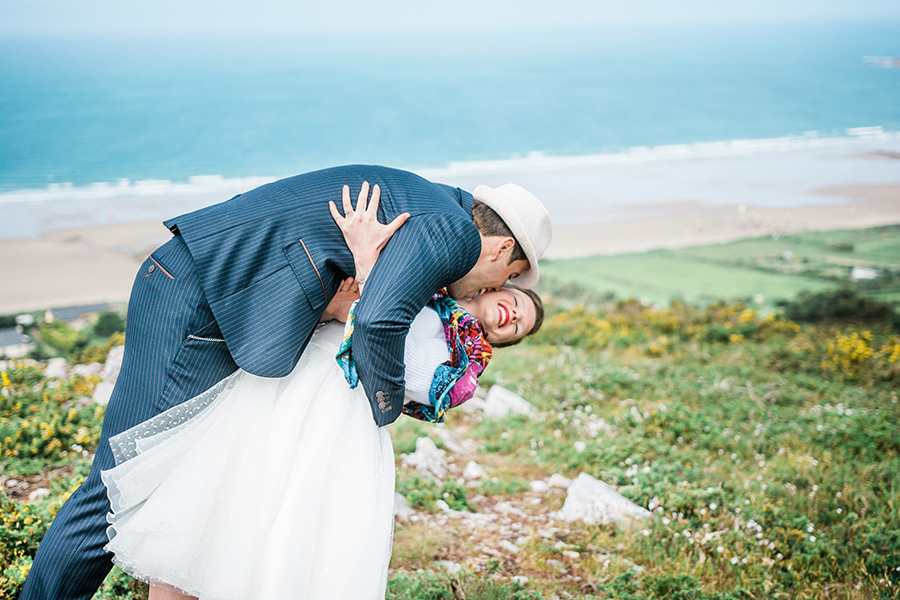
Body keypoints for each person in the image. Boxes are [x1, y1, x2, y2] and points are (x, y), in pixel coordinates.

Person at [21, 164, 552, 599]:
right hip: (200, 303)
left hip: (213, 300)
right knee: (119, 484)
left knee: (190, 478)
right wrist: (384, 406)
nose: (497, 286)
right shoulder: (453, 231)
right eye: (507, 278)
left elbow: (362, 298)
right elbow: (377, 320)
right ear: (502, 250)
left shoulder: (427, 203)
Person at [99, 279, 544, 599]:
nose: (515, 317)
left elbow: (395, 358)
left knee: (291, 529)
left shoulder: (465, 362)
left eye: (518, 328)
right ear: (494, 287)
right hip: (282, 382)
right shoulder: (431, 289)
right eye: (516, 302)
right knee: (216, 507)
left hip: (337, 411)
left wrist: (360, 291)